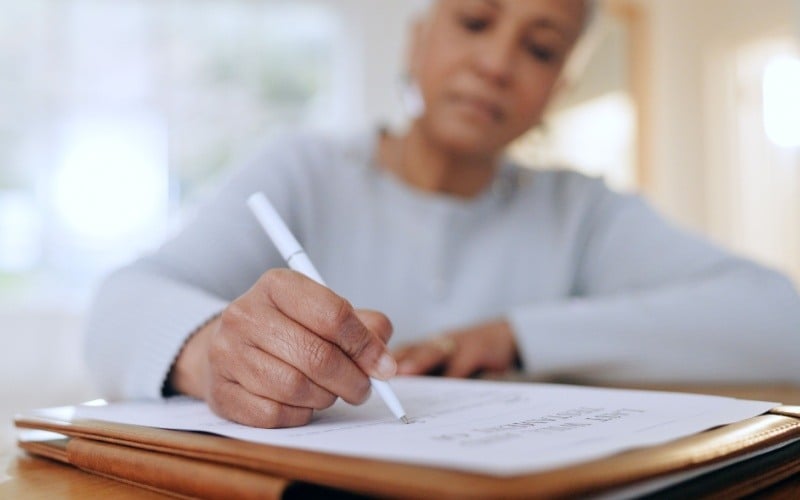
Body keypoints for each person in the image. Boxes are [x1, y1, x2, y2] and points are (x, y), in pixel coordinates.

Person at [85, 0, 800, 429]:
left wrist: (515, 337)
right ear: (419, 38)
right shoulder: (304, 171)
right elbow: (117, 307)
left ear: (558, 85)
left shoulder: (579, 211)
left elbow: (779, 320)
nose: (496, 64)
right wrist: (212, 353)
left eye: (541, 48)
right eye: (475, 20)